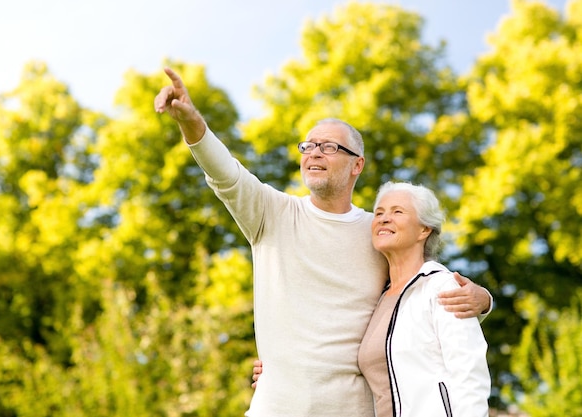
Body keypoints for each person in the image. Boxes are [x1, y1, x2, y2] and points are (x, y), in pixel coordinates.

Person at [154, 67, 492, 417]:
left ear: (356, 165)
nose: (314, 153)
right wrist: (190, 121)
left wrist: (483, 300)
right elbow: (225, 174)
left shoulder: (377, 232)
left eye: (329, 147)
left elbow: (419, 292)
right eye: (309, 146)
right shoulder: (271, 214)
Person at [357, 181, 490, 416]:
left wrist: (486, 299)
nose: (384, 218)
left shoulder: (441, 287)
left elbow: (469, 374)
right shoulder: (377, 298)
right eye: (379, 213)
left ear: (424, 229)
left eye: (397, 211)